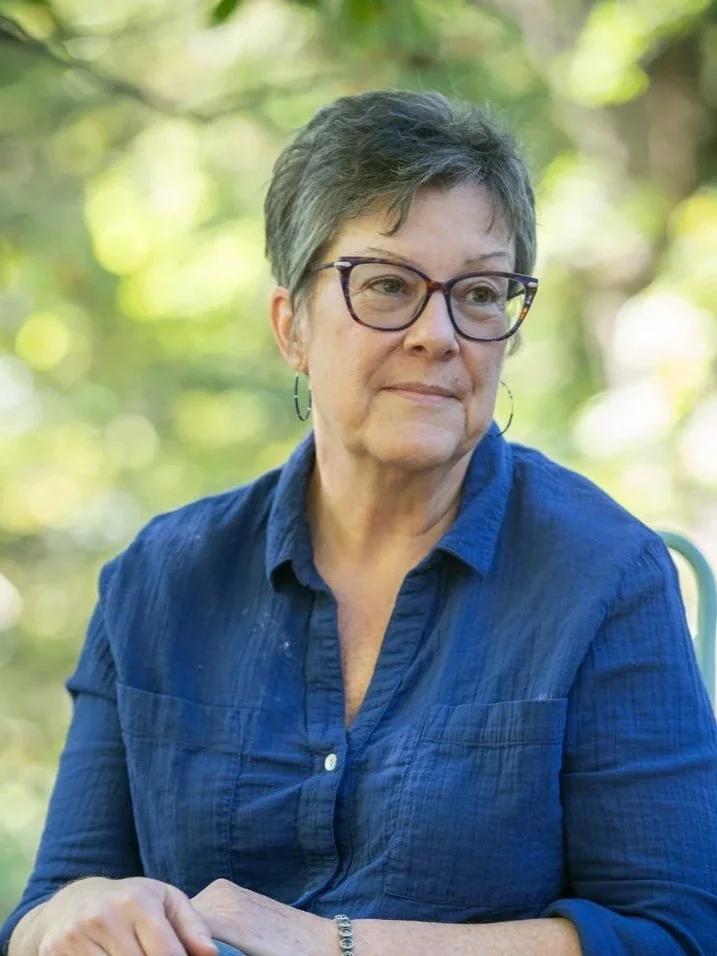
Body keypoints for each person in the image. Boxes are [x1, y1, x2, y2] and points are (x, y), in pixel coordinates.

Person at [2, 89, 717, 956]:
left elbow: (675, 933)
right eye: (385, 285)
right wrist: (74, 915)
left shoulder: (605, 576)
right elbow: (49, 904)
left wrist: (333, 943)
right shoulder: (159, 579)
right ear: (291, 325)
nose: (438, 333)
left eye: (481, 293)